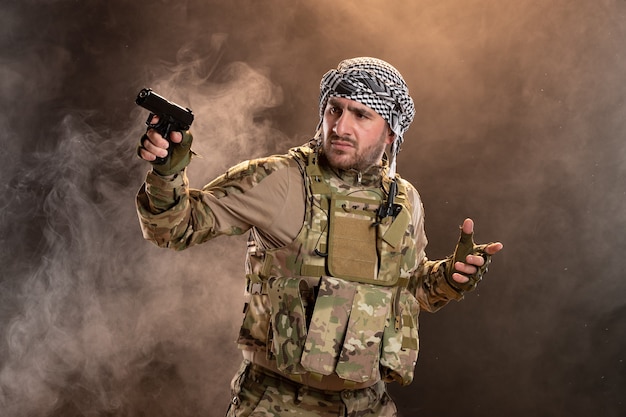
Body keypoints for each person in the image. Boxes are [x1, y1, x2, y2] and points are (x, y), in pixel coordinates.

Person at [135, 57, 503, 417]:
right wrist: (167, 170)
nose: (341, 126)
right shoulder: (279, 180)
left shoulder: (405, 199)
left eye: (361, 115)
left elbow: (410, 289)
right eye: (334, 110)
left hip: (368, 403)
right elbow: (173, 228)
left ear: (391, 133)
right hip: (279, 403)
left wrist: (450, 277)